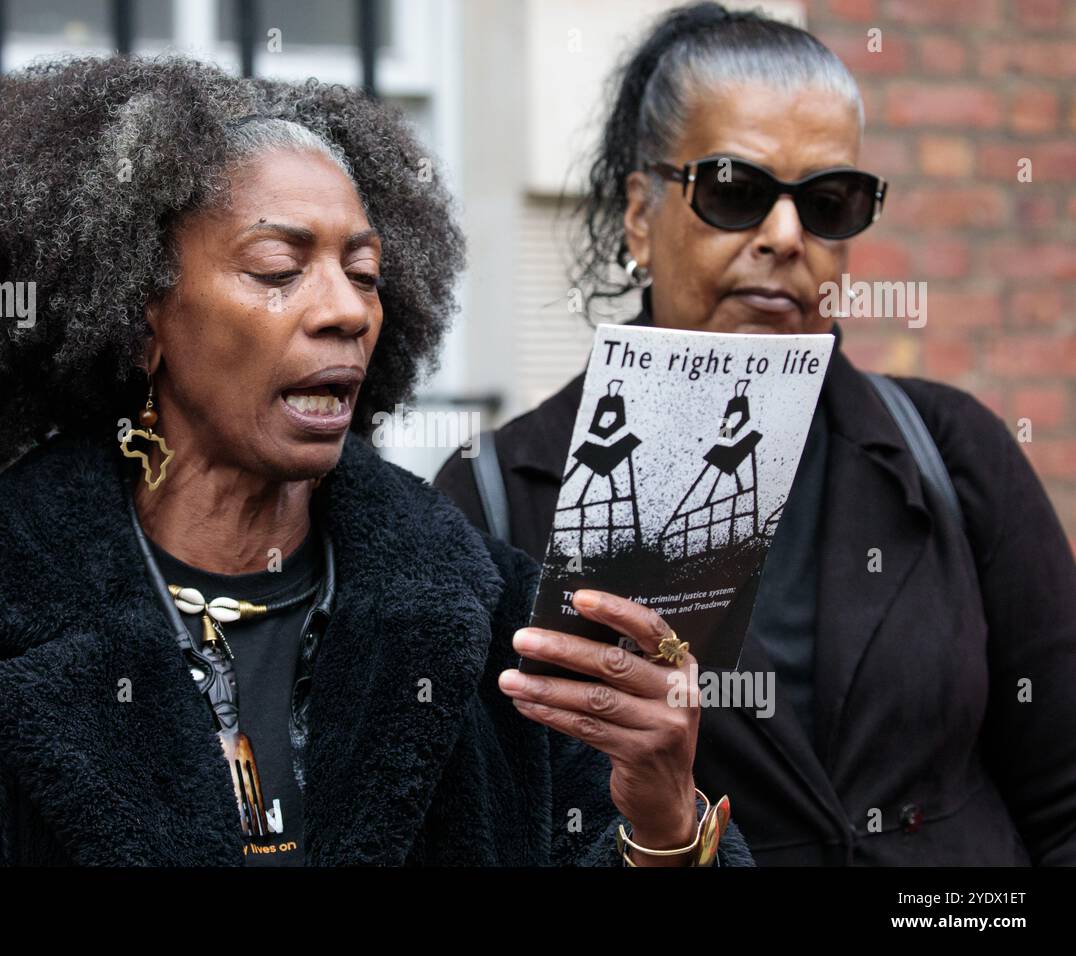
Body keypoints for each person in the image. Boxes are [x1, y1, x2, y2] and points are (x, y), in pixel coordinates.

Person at [0, 56, 752, 867]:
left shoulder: (504, 627)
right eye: (278, 269)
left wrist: (665, 822)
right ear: (140, 316)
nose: (345, 309)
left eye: (366, 273)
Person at [435, 2, 1076, 865]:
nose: (784, 237)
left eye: (829, 202)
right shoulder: (500, 493)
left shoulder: (954, 453)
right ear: (638, 215)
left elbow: (1063, 791)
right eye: (734, 191)